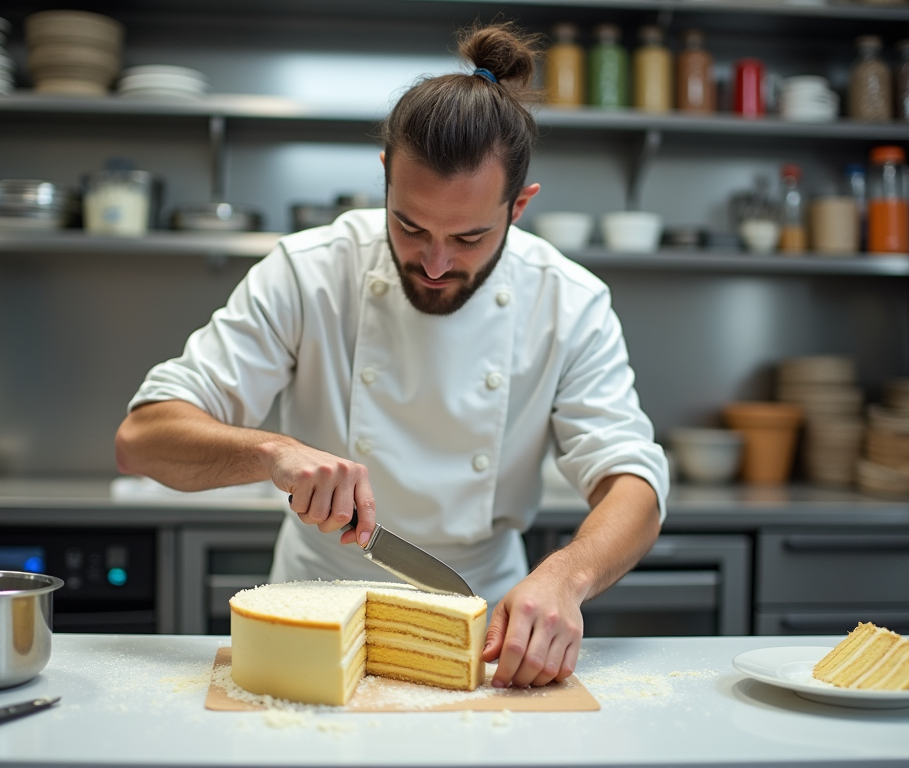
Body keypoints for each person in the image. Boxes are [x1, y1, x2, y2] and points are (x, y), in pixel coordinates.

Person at [115, 22, 668, 690]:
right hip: (312, 617)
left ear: (519, 207)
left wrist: (566, 577)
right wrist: (271, 453)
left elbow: (634, 483)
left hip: (483, 622)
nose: (435, 263)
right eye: (409, 225)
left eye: (468, 236)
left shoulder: (569, 303)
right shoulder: (308, 272)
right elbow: (140, 440)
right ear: (384, 177)